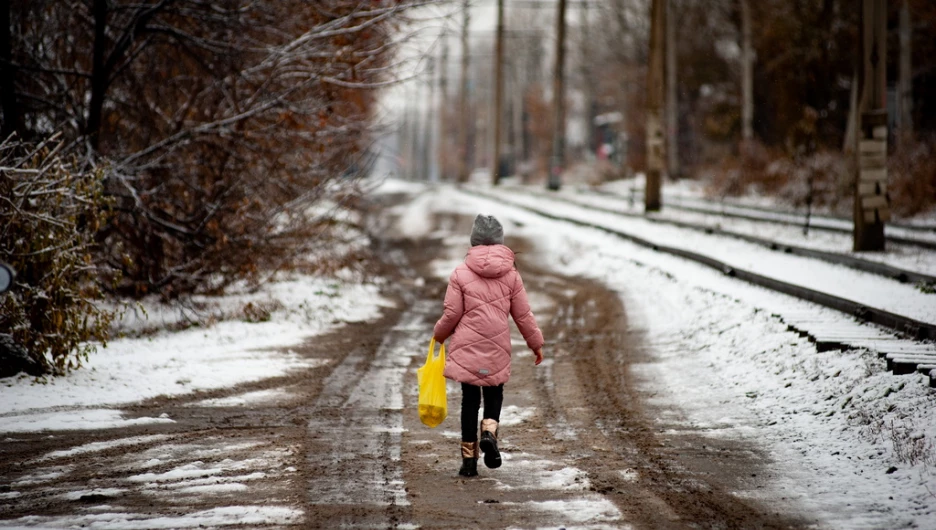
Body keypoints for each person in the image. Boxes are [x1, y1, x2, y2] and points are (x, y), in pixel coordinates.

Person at [432, 214, 545, 477]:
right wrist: (535, 343)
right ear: (500, 242)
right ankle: (489, 434)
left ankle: (469, 462)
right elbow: (523, 315)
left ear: (473, 241)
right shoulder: (512, 275)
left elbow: (451, 314)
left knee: (469, 400)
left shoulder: (460, 273)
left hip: (467, 345)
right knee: (494, 392)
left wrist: (438, 336)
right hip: (497, 344)